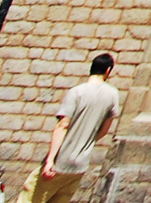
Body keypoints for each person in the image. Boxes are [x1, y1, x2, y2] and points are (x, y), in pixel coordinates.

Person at [25, 54, 120, 203]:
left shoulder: (76, 92)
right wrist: (85, 142)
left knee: (30, 196)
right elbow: (104, 130)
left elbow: (63, 125)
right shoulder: (113, 95)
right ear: (108, 71)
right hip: (80, 165)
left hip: (60, 162)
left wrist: (50, 160)